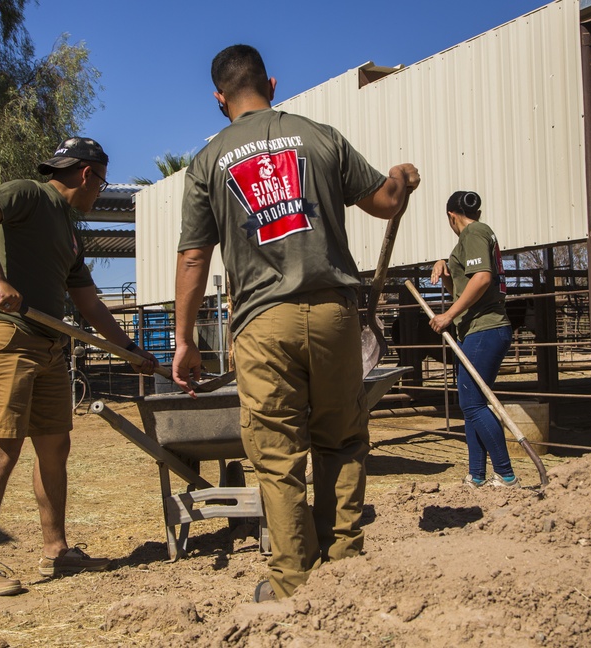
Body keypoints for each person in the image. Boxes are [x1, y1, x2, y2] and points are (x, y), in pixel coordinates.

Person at [173, 44, 420, 602]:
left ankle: (290, 584)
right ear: (272, 83)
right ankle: (344, 565)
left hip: (261, 325)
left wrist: (185, 339)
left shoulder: (208, 162)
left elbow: (194, 257)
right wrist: (400, 177)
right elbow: (384, 199)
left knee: (279, 457)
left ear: (219, 98)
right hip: (335, 315)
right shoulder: (320, 136)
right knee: (342, 440)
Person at [0, 137, 159, 596]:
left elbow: (91, 305)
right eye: (101, 183)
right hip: (6, 338)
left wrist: (130, 349)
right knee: (2, 450)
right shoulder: (29, 194)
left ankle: (57, 551)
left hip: (48, 347)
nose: (98, 192)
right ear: (88, 175)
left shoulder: (69, 230)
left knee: (55, 447)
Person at [428, 190, 518, 488]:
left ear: (451, 216)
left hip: (485, 328)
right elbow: (466, 283)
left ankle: (505, 474)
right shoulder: (473, 236)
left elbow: (482, 278)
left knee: (473, 405)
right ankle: (476, 474)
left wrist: (448, 315)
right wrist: (445, 267)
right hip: (477, 329)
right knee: (471, 403)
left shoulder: (475, 232)